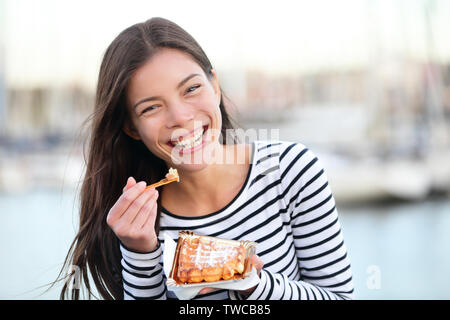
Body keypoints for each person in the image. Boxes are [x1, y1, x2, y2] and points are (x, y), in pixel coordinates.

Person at [58, 17, 354, 300]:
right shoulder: (134, 223)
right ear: (131, 127)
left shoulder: (291, 171)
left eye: (191, 89)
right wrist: (140, 252)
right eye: (151, 108)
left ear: (215, 86)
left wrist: (253, 284)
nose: (181, 117)